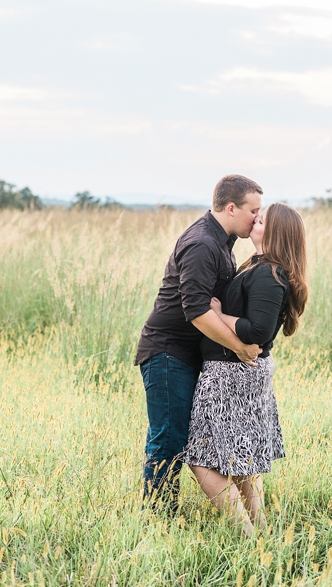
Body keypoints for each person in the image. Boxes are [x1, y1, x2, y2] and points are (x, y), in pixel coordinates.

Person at [134, 174, 263, 513]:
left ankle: (161, 512)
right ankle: (157, 519)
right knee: (169, 439)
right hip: (167, 352)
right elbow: (197, 312)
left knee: (178, 436)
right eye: (254, 211)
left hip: (189, 355)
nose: (258, 218)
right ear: (232, 208)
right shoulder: (203, 243)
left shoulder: (223, 242)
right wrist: (239, 346)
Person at [183, 202, 309, 535]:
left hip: (233, 373)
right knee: (241, 460)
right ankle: (261, 536)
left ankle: (246, 536)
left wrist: (217, 315)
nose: (255, 219)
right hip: (235, 371)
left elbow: (259, 332)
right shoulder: (256, 265)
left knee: (200, 457)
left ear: (277, 231)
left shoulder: (270, 274)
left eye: (262, 218)